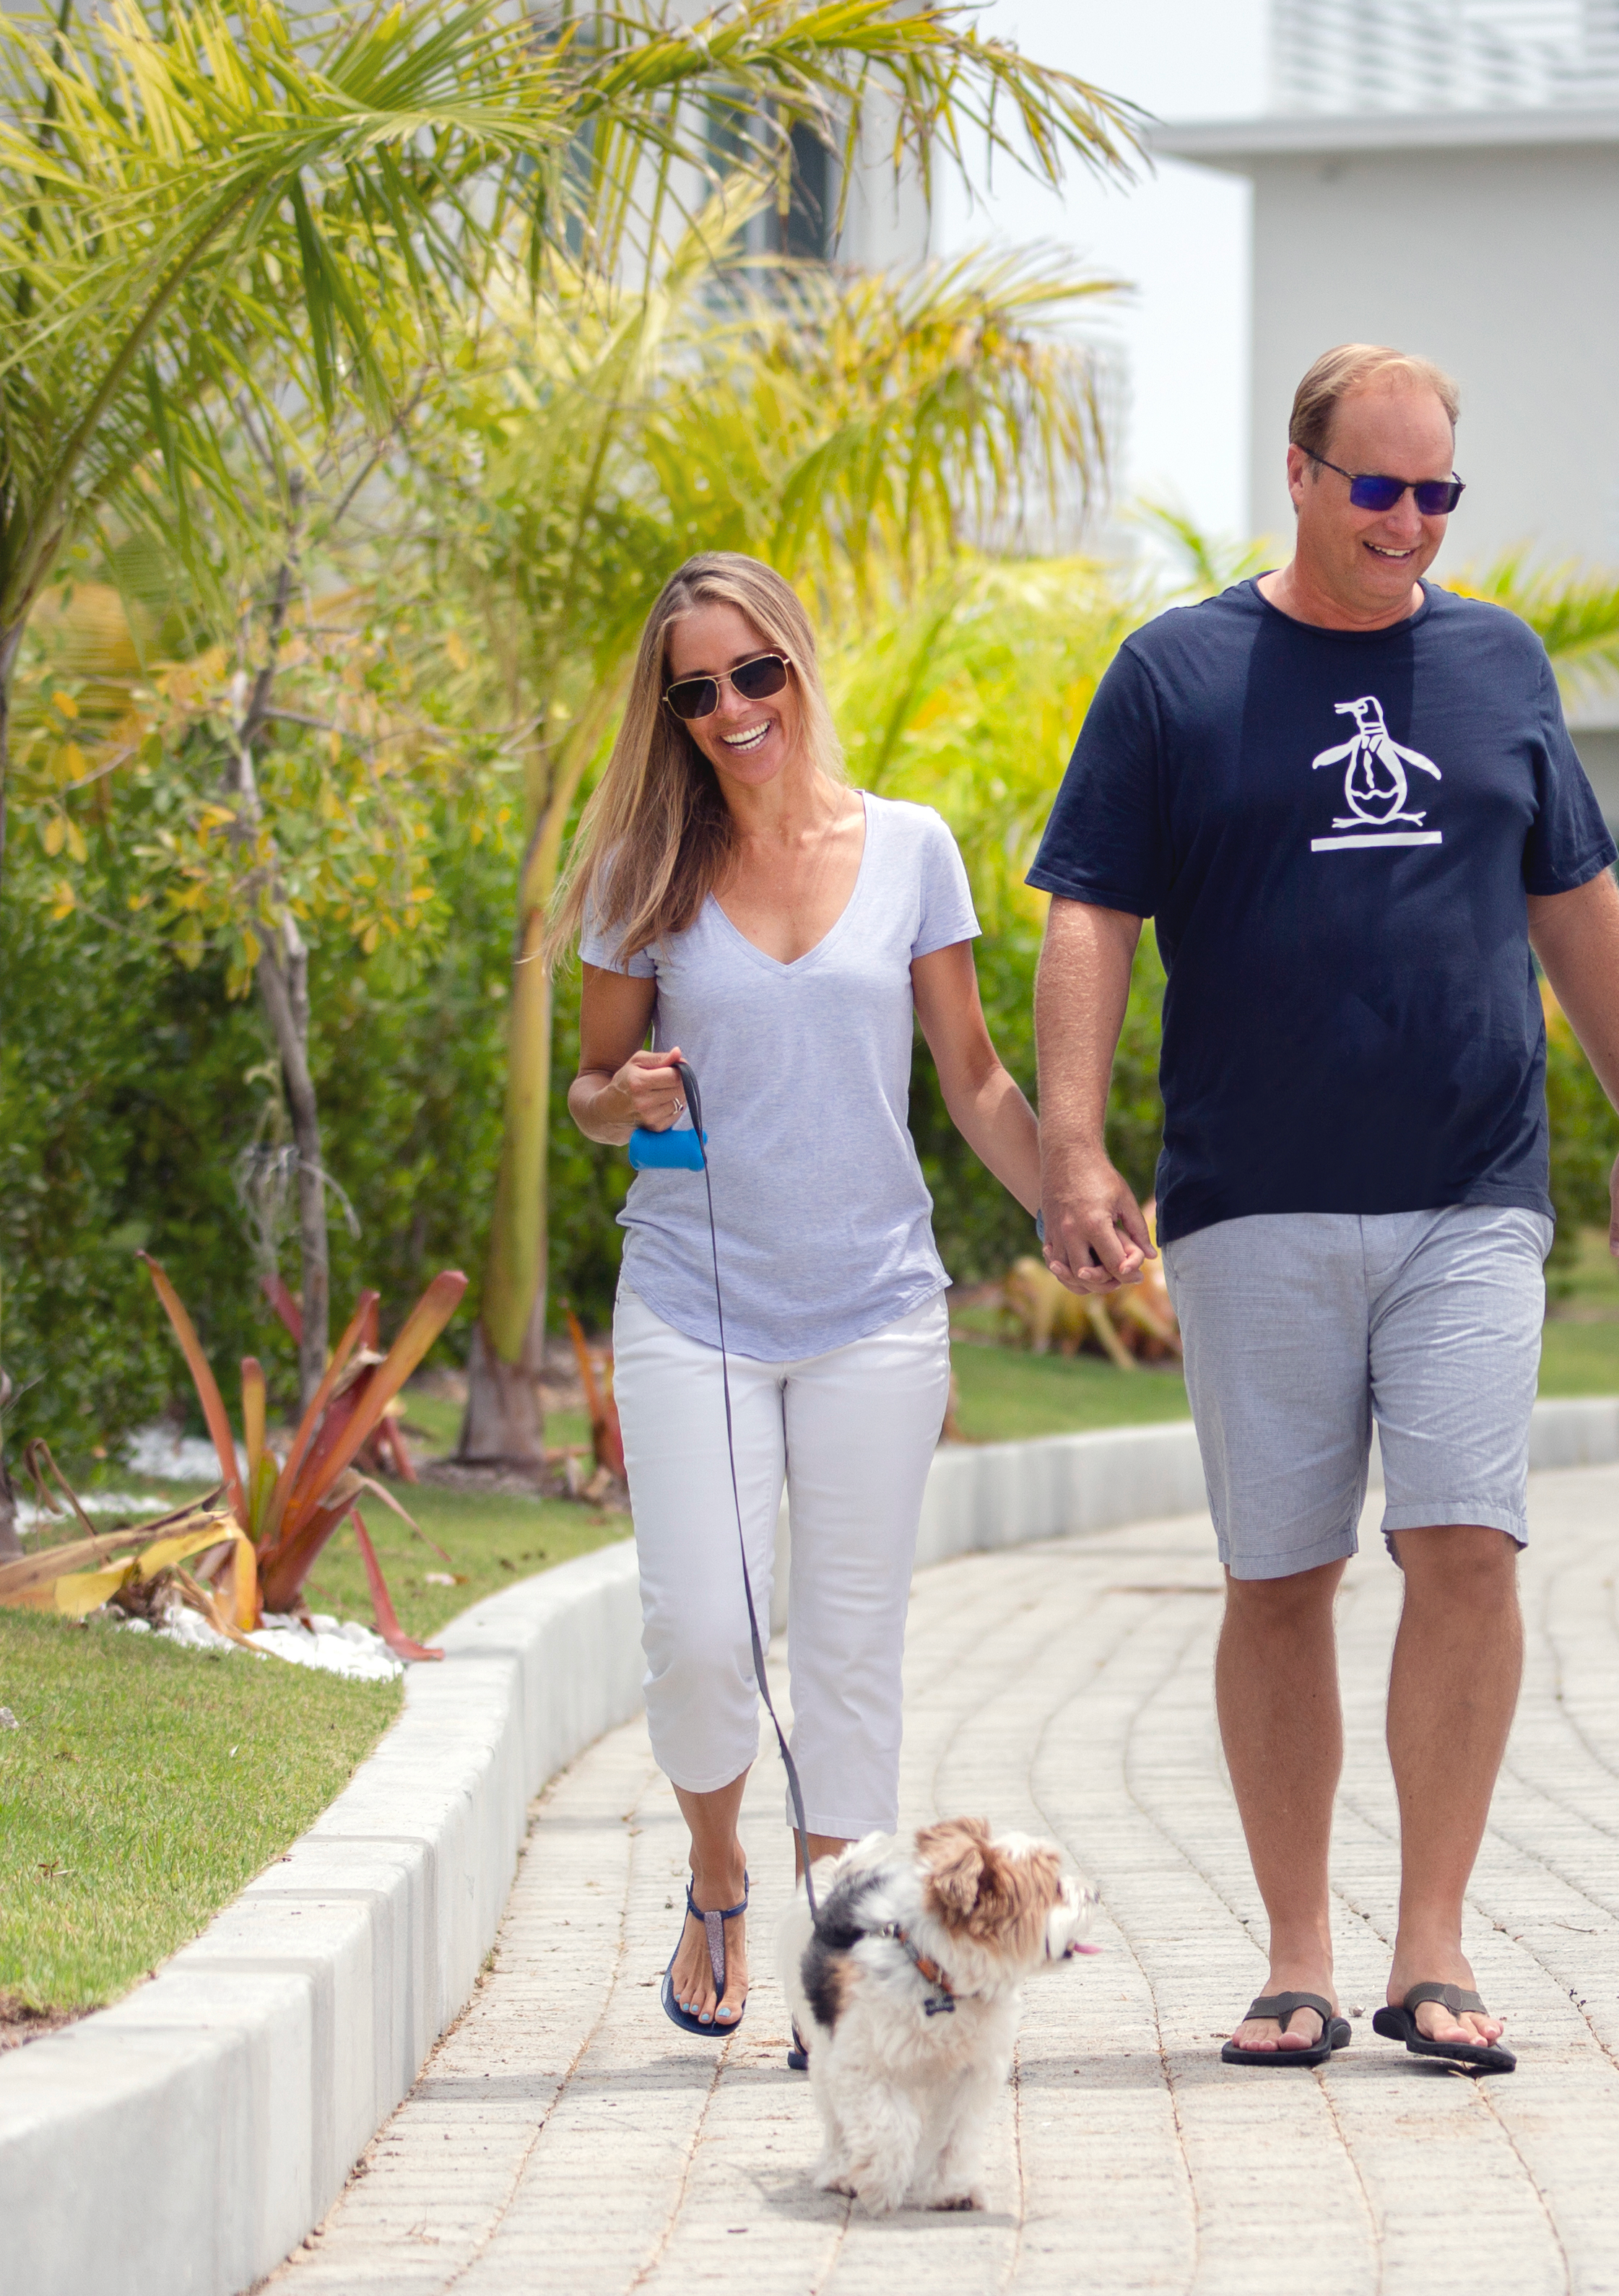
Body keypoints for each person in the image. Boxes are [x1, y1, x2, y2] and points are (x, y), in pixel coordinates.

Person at [1026, 344, 1619, 2076]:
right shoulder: (1177, 672)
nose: (1409, 522)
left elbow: (1577, 896)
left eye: (1436, 494)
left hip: (1472, 1186)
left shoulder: (1494, 661)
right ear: (1302, 475)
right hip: (1253, 1198)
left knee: (1465, 1545)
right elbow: (1086, 910)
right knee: (1280, 1576)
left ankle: (1433, 1947)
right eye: (1378, 488)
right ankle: (1297, 1953)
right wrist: (1078, 1149)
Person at [559, 552, 1051, 2040]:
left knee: (849, 1652)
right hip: (694, 1299)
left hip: (876, 1307)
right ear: (672, 712)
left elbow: (970, 1076)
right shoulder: (640, 873)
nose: (731, 709)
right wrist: (624, 1094)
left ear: (797, 663)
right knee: (705, 1633)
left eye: (753, 672)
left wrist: (1073, 1198)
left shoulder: (910, 848)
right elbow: (588, 1094)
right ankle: (718, 1872)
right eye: (696, 691)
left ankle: (831, 1965)